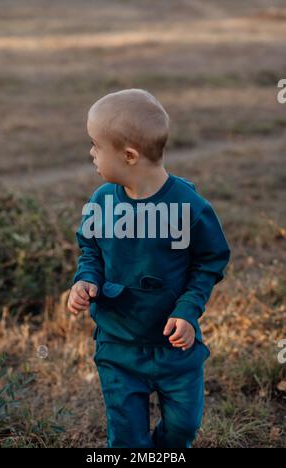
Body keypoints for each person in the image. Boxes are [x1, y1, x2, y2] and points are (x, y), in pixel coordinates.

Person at [67, 89, 231, 448]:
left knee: (183, 429)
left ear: (128, 156)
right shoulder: (102, 202)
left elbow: (208, 263)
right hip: (118, 343)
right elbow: (91, 250)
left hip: (175, 345)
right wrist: (85, 280)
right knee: (127, 438)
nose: (91, 153)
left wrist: (188, 312)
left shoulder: (189, 206)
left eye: (96, 145)